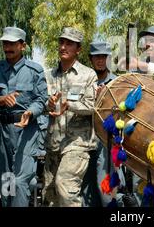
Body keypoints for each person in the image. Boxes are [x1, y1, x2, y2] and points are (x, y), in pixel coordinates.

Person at [43, 27, 98, 207]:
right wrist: (48, 105)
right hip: (53, 143)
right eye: (61, 42)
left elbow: (93, 107)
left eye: (69, 43)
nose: (63, 47)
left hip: (77, 143)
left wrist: (69, 105)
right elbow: (41, 102)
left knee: (66, 186)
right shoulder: (48, 75)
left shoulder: (88, 75)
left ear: (78, 49)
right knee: (51, 196)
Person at [0, 26, 48, 207]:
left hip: (26, 131)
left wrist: (30, 112)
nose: (7, 47)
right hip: (2, 132)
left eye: (12, 44)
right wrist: (1, 100)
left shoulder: (35, 70)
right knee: (6, 180)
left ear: (23, 46)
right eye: (5, 43)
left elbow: (41, 100)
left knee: (21, 180)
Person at [82, 41, 118, 207]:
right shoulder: (83, 81)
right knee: (86, 192)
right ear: (91, 59)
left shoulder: (118, 83)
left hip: (106, 142)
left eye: (104, 56)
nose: (100, 60)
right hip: (83, 140)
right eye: (97, 57)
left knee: (106, 190)